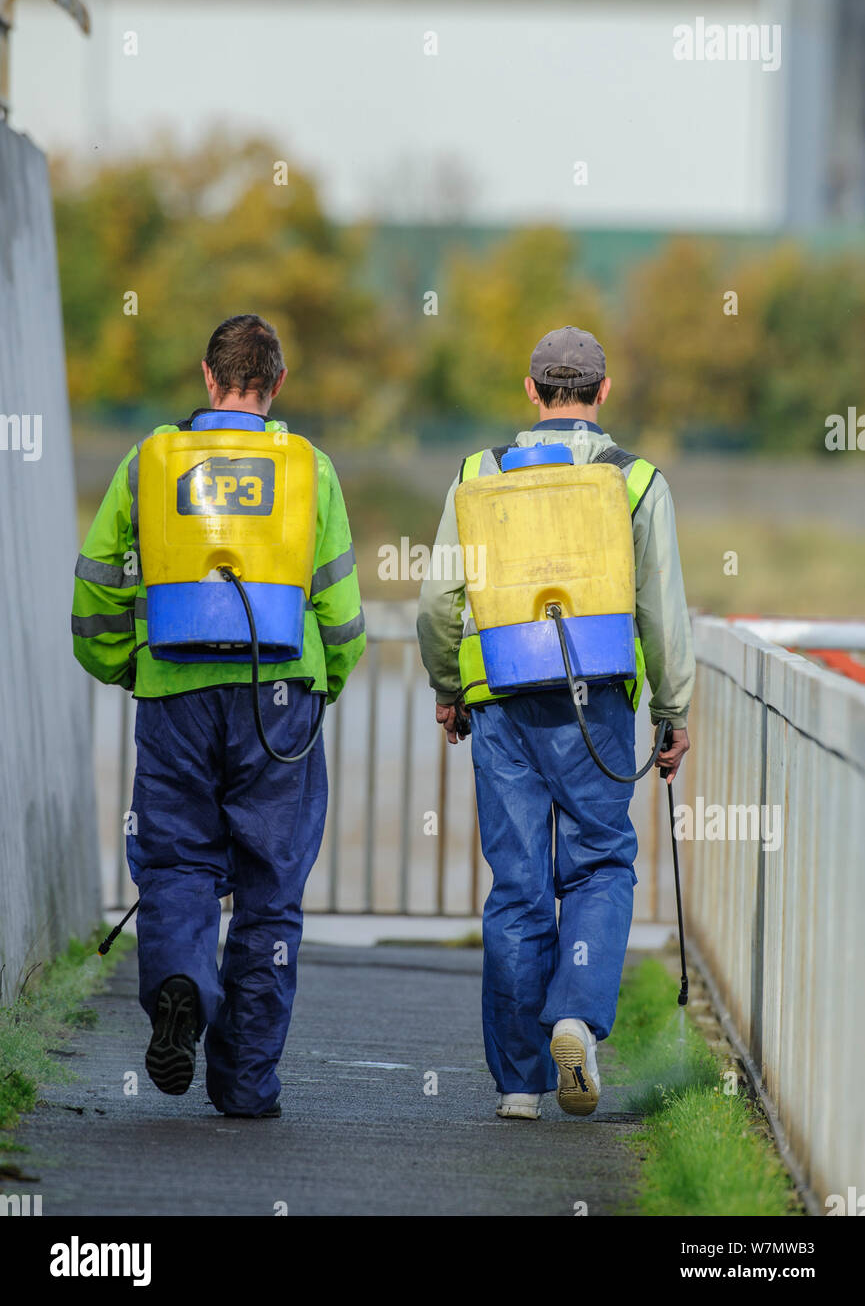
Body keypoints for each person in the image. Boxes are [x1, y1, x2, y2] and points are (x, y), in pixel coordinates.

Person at [72, 314, 365, 1118]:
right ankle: (243, 1084)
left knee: (176, 863)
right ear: (275, 384)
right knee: (271, 891)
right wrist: (324, 680)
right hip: (281, 696)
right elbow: (340, 609)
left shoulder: (149, 463)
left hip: (175, 691)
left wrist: (122, 664)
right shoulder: (309, 468)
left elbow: (97, 582)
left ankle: (178, 982)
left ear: (207, 377)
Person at [416, 325, 695, 1121]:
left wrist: (448, 685)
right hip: (597, 703)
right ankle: (574, 1013)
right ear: (602, 394)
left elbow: (438, 602)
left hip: (500, 699)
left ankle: (517, 1085)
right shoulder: (636, 481)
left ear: (531, 392)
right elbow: (661, 612)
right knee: (599, 867)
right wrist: (672, 709)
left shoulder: (477, 473)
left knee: (517, 885)